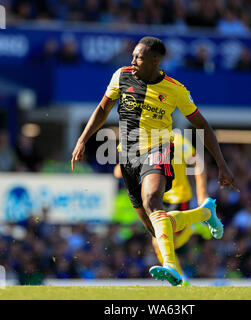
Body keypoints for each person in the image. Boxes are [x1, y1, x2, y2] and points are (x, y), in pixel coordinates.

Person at [71, 36, 239, 286]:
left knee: (152, 200)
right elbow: (103, 109)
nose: (133, 60)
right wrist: (83, 140)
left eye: (138, 57)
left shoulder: (175, 89)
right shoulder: (121, 76)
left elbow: (203, 125)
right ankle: (205, 212)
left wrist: (223, 165)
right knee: (155, 228)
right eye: (133, 56)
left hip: (158, 148)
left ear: (155, 60)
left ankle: (172, 267)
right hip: (127, 155)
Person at [114, 131, 212, 285]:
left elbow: (198, 163)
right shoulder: (142, 140)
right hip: (156, 197)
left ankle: (194, 227)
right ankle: (181, 279)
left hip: (177, 197)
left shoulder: (177, 140)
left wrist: (202, 194)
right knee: (159, 242)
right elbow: (119, 171)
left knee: (167, 241)